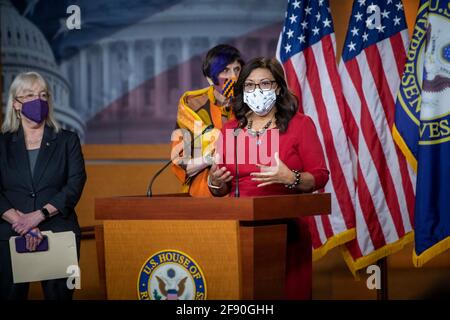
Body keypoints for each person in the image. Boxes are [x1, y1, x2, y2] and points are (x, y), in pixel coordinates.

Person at [208, 57, 329, 299]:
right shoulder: (231, 129)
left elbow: (319, 176)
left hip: (286, 232)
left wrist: (290, 177)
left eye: (264, 84)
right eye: (250, 86)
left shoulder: (300, 125)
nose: (257, 90)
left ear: (278, 88)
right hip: (237, 232)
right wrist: (216, 183)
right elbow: (221, 188)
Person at [0, 72, 87, 300]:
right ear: (16, 104)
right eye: (29, 95)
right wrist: (21, 221)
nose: (38, 101)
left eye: (43, 95)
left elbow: (75, 183)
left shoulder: (68, 140)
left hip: (58, 231)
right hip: (10, 234)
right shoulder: (2, 144)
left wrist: (38, 216)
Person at [171, 44, 244, 196]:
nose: (233, 77)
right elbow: (183, 164)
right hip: (203, 193)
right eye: (226, 70)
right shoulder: (192, 104)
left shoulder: (252, 102)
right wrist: (211, 157)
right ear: (210, 78)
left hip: (244, 188)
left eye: (237, 70)